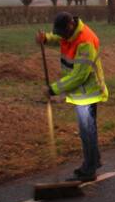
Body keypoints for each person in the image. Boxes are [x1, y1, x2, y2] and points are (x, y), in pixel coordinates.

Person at [36, 12, 109, 182]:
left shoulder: (85, 42)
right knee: (88, 130)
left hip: (88, 93)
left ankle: (89, 169)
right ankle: (94, 161)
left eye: (62, 32)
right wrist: (45, 38)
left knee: (87, 132)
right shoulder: (69, 34)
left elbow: (79, 76)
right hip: (80, 93)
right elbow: (58, 39)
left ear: (70, 26)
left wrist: (53, 89)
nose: (60, 36)